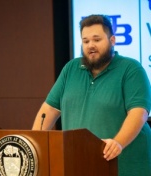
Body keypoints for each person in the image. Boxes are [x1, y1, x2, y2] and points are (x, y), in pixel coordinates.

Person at [32, 14, 151, 176]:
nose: (90, 45)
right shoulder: (71, 69)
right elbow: (49, 110)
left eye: (96, 39)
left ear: (112, 40)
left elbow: (139, 113)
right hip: (81, 164)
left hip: (125, 166)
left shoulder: (131, 69)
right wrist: (33, 145)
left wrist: (118, 143)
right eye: (86, 41)